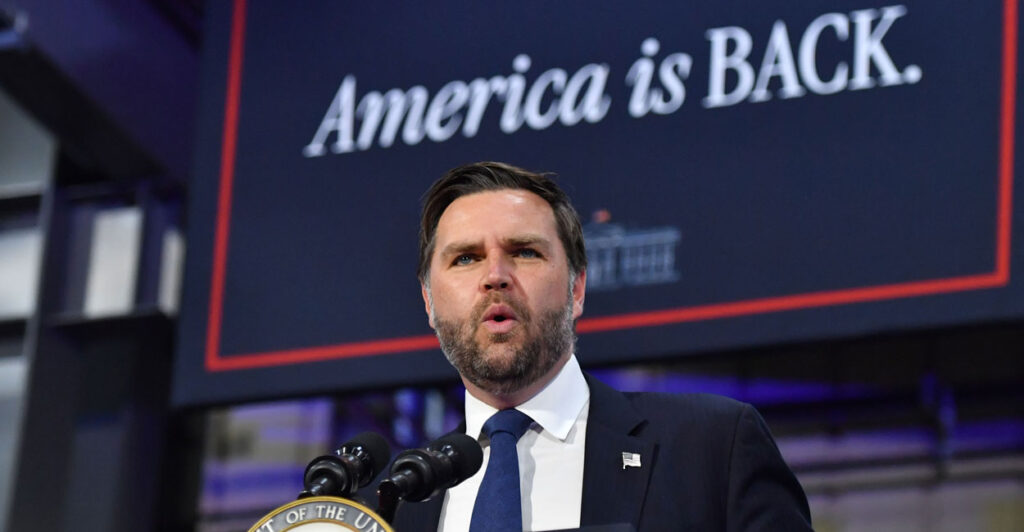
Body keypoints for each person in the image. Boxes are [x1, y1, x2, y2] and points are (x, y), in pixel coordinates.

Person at [394, 162, 813, 531]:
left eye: (524, 252)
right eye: (466, 258)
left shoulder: (712, 447)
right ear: (429, 302)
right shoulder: (390, 503)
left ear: (577, 288)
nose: (495, 276)